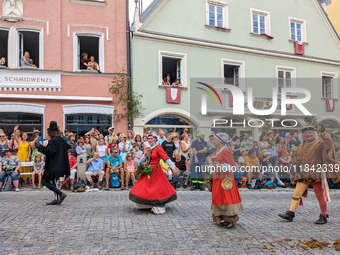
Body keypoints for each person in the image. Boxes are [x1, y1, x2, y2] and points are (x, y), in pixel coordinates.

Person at [278, 126, 339, 224]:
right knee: (297, 193)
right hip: (303, 173)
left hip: (316, 173)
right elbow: (298, 160)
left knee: (319, 196)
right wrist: (294, 157)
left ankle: (323, 215)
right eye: (306, 133)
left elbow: (328, 144)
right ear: (303, 135)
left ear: (314, 134)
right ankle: (290, 214)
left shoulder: (319, 143)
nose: (308, 134)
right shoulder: (301, 145)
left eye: (310, 132)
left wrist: (323, 134)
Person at [129, 133, 180, 214]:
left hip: (156, 170)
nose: (150, 140)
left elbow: (166, 158)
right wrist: (145, 154)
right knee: (145, 187)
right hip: (148, 169)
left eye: (151, 139)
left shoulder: (158, 148)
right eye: (148, 139)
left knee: (156, 188)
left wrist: (173, 168)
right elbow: (142, 160)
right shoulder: (148, 148)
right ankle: (146, 203)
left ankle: (158, 203)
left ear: (155, 139)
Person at [210, 133, 244, 227]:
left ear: (220, 141)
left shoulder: (226, 150)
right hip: (218, 177)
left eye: (215, 140)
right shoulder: (217, 150)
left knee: (227, 198)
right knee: (219, 197)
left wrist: (221, 166)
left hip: (225, 178)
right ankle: (223, 218)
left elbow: (232, 166)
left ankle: (232, 219)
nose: (213, 141)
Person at [33, 121, 69, 205]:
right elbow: (68, 147)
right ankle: (56, 199)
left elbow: (49, 152)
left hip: (53, 165)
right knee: (53, 181)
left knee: (46, 182)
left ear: (50, 132)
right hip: (60, 164)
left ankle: (61, 194)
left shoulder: (53, 141)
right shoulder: (61, 140)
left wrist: (39, 146)